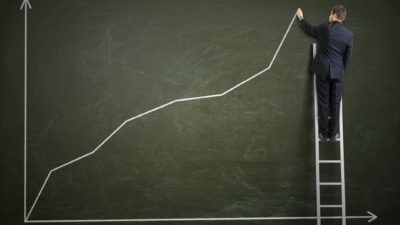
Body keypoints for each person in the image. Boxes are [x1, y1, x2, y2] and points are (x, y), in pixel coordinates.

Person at [296, 5, 353, 141]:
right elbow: (347, 57)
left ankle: (323, 133)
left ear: (333, 15)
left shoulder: (325, 28)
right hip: (338, 72)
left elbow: (310, 30)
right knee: (336, 102)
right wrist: (340, 70)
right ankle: (333, 134)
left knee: (323, 102)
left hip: (323, 70)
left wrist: (301, 18)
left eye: (330, 14)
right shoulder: (349, 35)